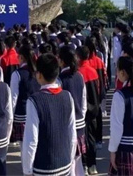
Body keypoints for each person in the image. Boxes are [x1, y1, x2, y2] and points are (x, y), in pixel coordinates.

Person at [22, 53, 77, 176]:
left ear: (39, 75)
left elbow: (31, 140)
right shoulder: (67, 96)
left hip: (44, 167)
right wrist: (70, 159)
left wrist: (27, 170)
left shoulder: (34, 101)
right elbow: (72, 133)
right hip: (65, 163)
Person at [58, 47, 87, 176]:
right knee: (77, 159)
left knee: (70, 161)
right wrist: (82, 116)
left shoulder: (60, 80)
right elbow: (84, 100)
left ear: (62, 61)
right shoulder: (79, 76)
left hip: (67, 124)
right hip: (80, 122)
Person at [77, 45, 101, 175]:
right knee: (91, 138)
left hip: (82, 111)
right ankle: (93, 164)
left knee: (82, 139)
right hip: (94, 109)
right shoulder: (93, 71)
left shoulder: (78, 73)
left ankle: (84, 164)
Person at [9, 45, 40, 145]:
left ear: (22, 57)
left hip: (22, 114)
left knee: (25, 146)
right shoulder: (37, 72)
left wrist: (11, 117)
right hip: (37, 112)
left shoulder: (17, 74)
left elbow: (13, 98)